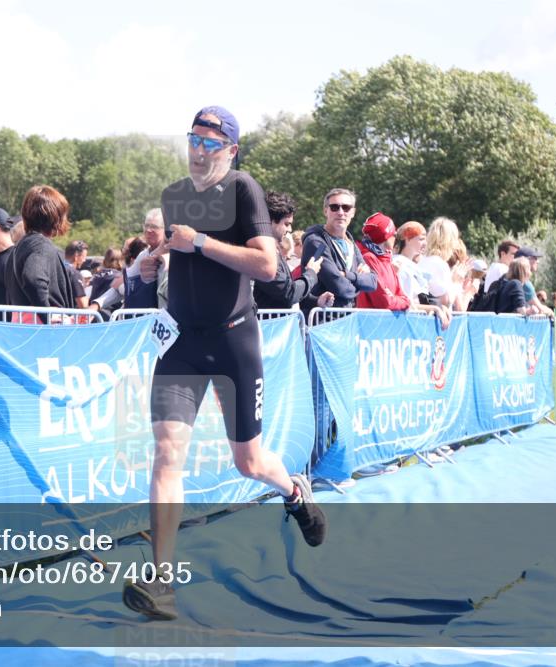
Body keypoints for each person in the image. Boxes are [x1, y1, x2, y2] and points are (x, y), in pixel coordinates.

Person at [122, 106, 326, 622]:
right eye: (194, 139)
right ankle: (162, 582)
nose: (200, 149)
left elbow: (268, 263)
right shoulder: (173, 196)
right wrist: (154, 264)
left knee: (248, 462)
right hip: (183, 343)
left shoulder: (243, 190)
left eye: (212, 142)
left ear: (231, 150)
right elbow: (183, 258)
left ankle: (293, 490)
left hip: (235, 341)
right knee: (168, 454)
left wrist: (202, 242)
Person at [4, 185, 78, 317]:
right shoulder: (40, 245)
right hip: (44, 331)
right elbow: (33, 279)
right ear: (56, 216)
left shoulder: (21, 246)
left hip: (26, 328)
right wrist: (48, 315)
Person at [300, 188, 377, 308]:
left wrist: (348, 275)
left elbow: (372, 282)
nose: (340, 212)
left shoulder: (351, 245)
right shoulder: (316, 243)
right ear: (326, 211)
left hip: (347, 319)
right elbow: (339, 286)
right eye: (334, 207)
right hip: (323, 320)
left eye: (346, 208)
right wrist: (359, 283)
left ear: (353, 212)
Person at [252, 190, 326, 310]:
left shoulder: (273, 250)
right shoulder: (261, 254)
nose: (290, 229)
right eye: (286, 224)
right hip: (270, 327)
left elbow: (284, 296)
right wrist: (311, 273)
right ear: (269, 222)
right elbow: (289, 293)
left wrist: (316, 301)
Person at [354, 212, 410, 311]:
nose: (395, 238)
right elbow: (385, 303)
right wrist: (402, 301)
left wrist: (399, 299)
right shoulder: (368, 258)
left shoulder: (386, 259)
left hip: (386, 324)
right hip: (371, 324)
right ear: (386, 236)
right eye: (394, 234)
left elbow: (403, 297)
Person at [515, 247, 553, 317]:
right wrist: (552, 313)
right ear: (526, 260)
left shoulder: (512, 278)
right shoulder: (525, 283)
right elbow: (541, 309)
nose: (537, 261)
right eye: (535, 258)